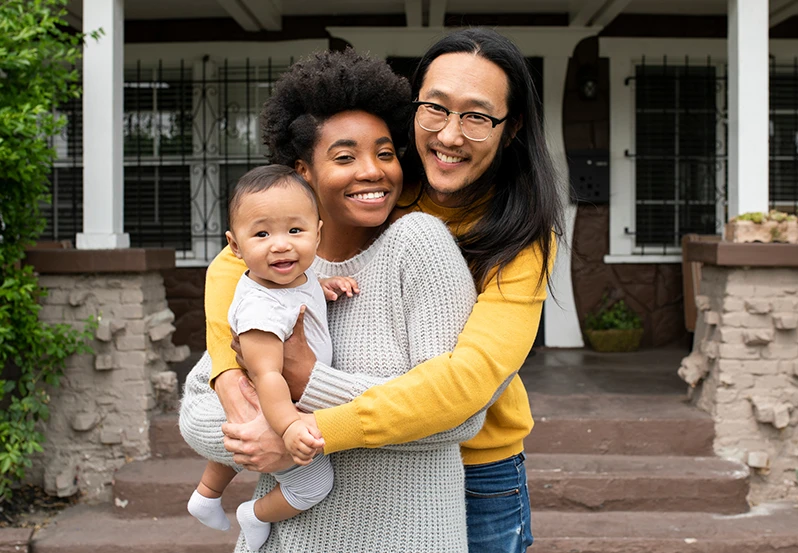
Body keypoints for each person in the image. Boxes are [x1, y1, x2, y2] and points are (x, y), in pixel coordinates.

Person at [219, 28, 564, 553]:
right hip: (358, 465)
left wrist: (304, 422)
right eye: (436, 108)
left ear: (510, 127)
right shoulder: (381, 184)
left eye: (477, 116)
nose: (450, 136)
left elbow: (466, 388)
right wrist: (228, 380)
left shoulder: (520, 234)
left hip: (477, 470)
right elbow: (236, 266)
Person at [180, 48, 484, 552]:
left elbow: (461, 412)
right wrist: (275, 435)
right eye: (345, 157)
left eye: (385, 153)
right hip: (287, 541)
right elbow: (198, 409)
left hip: (406, 538)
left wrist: (310, 392)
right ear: (303, 170)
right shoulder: (273, 267)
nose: (373, 171)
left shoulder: (419, 246)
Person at [186, 165, 357, 551]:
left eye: (294, 231)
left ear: (318, 232)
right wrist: (289, 428)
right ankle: (255, 513)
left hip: (278, 398)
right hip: (275, 403)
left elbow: (302, 290)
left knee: (239, 439)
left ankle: (205, 494)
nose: (281, 245)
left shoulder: (292, 275)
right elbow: (267, 376)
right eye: (262, 234)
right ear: (235, 245)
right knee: (314, 486)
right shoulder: (259, 311)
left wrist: (324, 286)